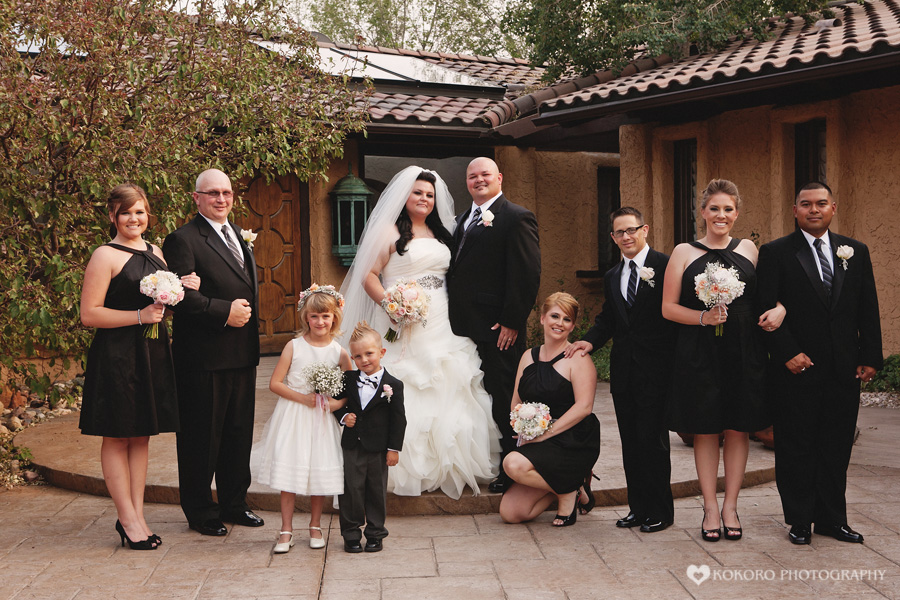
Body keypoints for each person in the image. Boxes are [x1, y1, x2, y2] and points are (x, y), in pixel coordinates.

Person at [339, 166, 500, 499]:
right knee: (405, 385)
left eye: (429, 194)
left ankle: (450, 464)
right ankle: (397, 464)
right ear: (404, 197)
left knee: (452, 381)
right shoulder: (388, 233)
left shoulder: (443, 232)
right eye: (418, 193)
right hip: (401, 321)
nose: (424, 199)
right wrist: (391, 306)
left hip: (443, 317)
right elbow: (369, 275)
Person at [757, 182, 882, 546]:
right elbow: (765, 309)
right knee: (796, 445)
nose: (814, 209)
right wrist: (786, 352)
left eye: (821, 203)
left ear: (833, 208)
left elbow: (867, 307)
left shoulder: (855, 252)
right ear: (794, 210)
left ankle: (831, 520)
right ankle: (799, 520)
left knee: (836, 444)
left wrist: (870, 356)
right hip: (796, 368)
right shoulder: (776, 253)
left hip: (843, 368)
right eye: (806, 204)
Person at [662, 179, 784, 542]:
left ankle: (731, 505)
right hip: (700, 349)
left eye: (728, 209)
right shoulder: (683, 251)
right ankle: (710, 507)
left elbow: (769, 294)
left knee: (738, 426)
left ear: (736, 213)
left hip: (744, 347)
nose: (721, 215)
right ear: (702, 212)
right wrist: (704, 318)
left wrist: (779, 308)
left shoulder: (748, 248)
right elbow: (668, 308)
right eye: (714, 208)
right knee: (706, 427)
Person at [80, 184, 200, 550]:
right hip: (117, 354)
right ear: (112, 216)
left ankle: (137, 514)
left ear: (148, 215)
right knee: (118, 434)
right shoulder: (105, 255)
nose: (134, 219)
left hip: (152, 351)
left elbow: (160, 303)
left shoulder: (156, 250)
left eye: (140, 212)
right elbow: (89, 314)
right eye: (126, 212)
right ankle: (127, 519)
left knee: (142, 433)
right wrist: (139, 315)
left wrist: (181, 288)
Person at [163, 168, 264, 536]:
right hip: (203, 357)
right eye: (212, 193)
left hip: (242, 353)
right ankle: (201, 511)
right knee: (202, 437)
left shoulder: (239, 234)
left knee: (238, 434)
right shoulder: (182, 239)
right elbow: (178, 296)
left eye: (226, 193)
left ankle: (235, 503)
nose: (221, 199)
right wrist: (225, 313)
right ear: (197, 198)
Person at [565, 207, 676, 533]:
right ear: (613, 238)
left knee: (653, 442)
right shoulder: (613, 275)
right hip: (624, 373)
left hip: (657, 370)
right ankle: (638, 509)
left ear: (645, 229)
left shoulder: (666, 266)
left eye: (632, 230)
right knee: (631, 442)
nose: (626, 237)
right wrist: (587, 342)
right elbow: (608, 321)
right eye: (619, 233)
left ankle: (660, 511)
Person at [447, 157, 541, 493]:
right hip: (464, 327)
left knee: (504, 396)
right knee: (480, 396)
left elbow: (526, 274)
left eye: (485, 174)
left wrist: (512, 322)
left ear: (499, 178)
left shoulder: (516, 217)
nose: (478, 180)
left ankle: (513, 464)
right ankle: (490, 458)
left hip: (498, 328)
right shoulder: (462, 220)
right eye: (472, 176)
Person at [254, 285, 352, 553]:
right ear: (305, 318)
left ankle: (315, 525)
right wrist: (303, 398)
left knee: (318, 471)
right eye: (314, 316)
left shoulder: (339, 352)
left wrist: (336, 403)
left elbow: (351, 391)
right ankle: (286, 530)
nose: (320, 322)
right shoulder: (293, 346)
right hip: (295, 416)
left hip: (321, 420)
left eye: (326, 316)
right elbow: (275, 383)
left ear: (334, 318)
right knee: (291, 471)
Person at [499, 292, 600, 527]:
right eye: (555, 316)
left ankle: (567, 491)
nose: (560, 323)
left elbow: (584, 408)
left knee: (512, 464)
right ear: (543, 318)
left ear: (573, 325)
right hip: (538, 439)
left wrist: (545, 432)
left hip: (571, 439)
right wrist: (523, 428)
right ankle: (573, 486)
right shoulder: (528, 356)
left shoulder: (579, 359)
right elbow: (516, 401)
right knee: (510, 513)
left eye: (567, 319)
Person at [333, 322, 407, 553]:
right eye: (357, 356)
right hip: (353, 445)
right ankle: (351, 534)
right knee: (351, 490)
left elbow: (398, 420)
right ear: (352, 358)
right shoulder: (348, 380)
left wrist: (394, 449)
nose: (364, 360)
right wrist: (345, 417)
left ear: (381, 353)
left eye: (369, 353)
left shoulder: (393, 385)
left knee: (376, 491)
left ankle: (375, 533)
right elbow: (336, 404)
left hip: (378, 448)